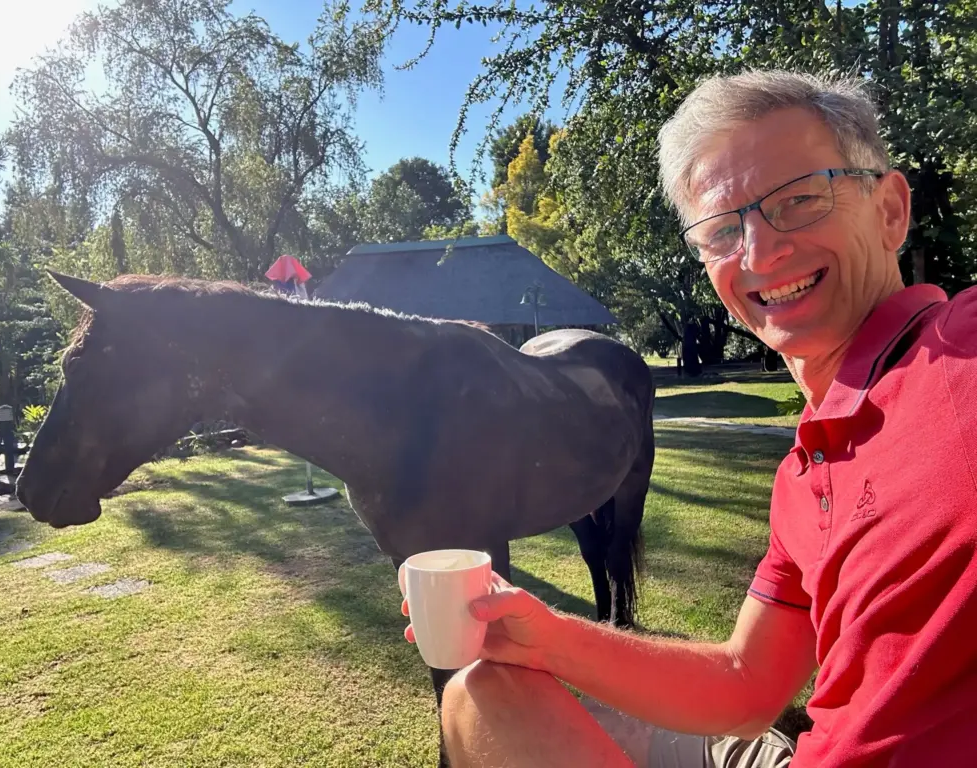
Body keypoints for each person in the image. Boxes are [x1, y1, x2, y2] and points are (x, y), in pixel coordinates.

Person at [402, 69, 977, 767]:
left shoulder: (960, 349)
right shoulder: (807, 472)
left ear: (890, 209)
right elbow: (745, 684)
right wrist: (544, 636)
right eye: (723, 231)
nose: (760, 253)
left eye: (800, 200)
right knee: (482, 692)